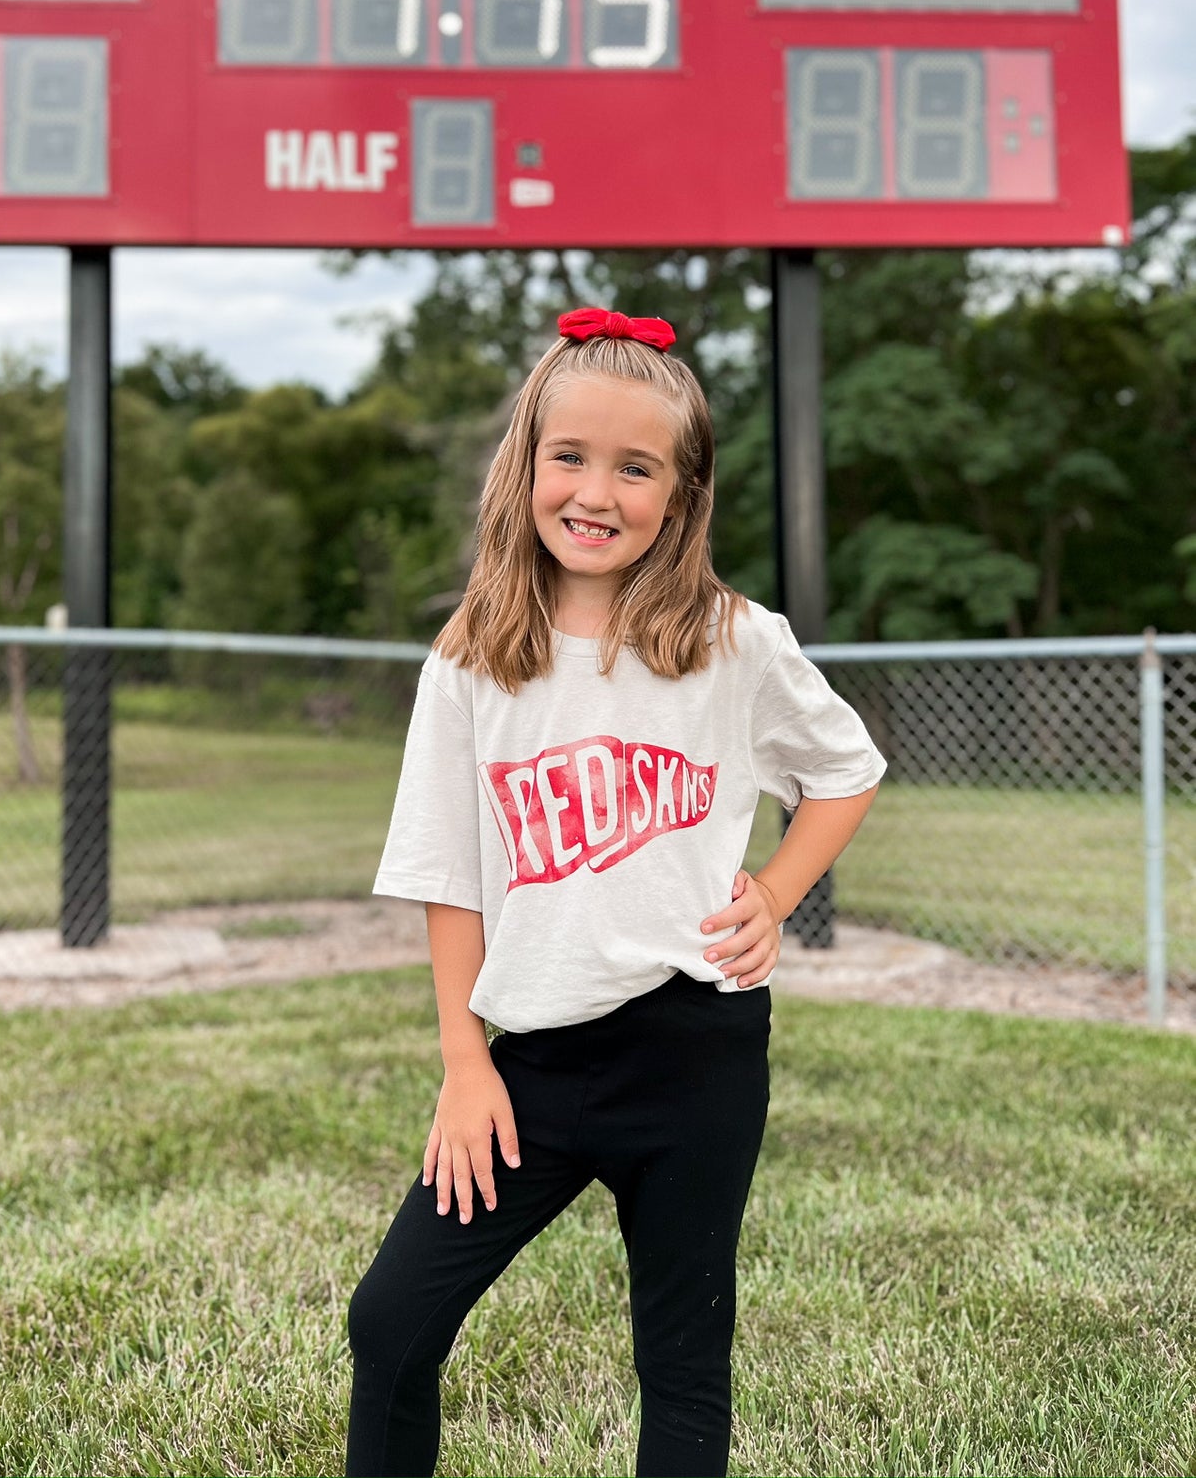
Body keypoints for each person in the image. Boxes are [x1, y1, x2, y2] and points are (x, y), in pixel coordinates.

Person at [344, 305, 886, 1478]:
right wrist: (462, 1059)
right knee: (389, 1323)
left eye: (635, 467)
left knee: (680, 1363)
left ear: (680, 495)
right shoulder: (473, 656)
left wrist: (778, 888)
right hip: (528, 1059)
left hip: (693, 1046)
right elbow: (449, 874)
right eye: (570, 456)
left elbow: (844, 771)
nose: (595, 491)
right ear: (525, 463)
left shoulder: (731, 642)